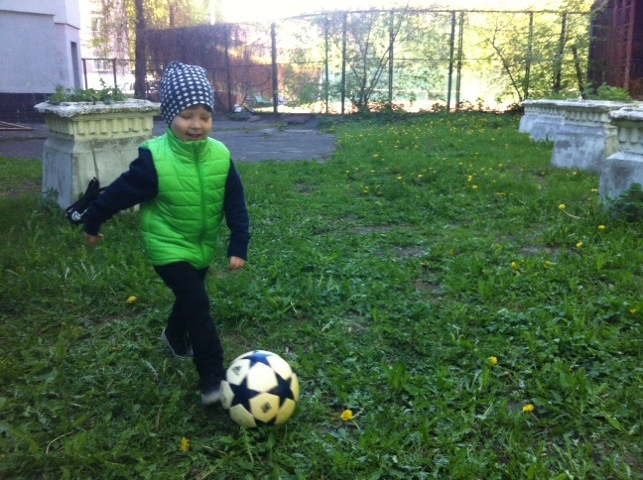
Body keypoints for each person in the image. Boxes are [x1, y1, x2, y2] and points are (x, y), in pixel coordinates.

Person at [82, 61, 250, 406]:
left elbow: (235, 202)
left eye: (205, 116)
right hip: (167, 245)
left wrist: (238, 242)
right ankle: (213, 378)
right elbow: (119, 193)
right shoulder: (154, 159)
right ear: (171, 115)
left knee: (190, 298)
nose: (196, 124)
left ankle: (174, 335)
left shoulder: (221, 155)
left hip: (201, 244)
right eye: (187, 116)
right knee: (198, 304)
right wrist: (93, 220)